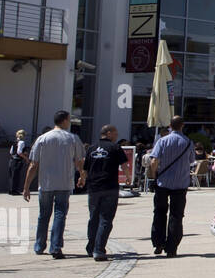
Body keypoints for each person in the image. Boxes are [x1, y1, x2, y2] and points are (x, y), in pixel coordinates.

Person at [22, 110, 86, 258]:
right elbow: (79, 161)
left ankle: (39, 245)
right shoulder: (72, 138)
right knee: (60, 215)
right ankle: (55, 247)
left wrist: (26, 187)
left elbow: (33, 165)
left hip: (45, 184)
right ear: (64, 121)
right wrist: (82, 176)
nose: (69, 122)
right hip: (64, 182)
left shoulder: (42, 139)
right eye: (69, 120)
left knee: (43, 215)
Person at [146, 116, 195, 257]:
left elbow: (154, 160)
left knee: (159, 212)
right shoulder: (188, 142)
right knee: (176, 215)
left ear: (170, 126)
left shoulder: (162, 141)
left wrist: (154, 175)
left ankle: (158, 242)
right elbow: (192, 161)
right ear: (182, 126)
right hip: (180, 183)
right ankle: (172, 247)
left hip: (163, 182)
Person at [83, 125, 128, 261]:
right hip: (109, 187)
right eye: (115, 133)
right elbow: (124, 165)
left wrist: (82, 179)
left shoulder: (91, 148)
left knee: (94, 218)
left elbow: (86, 167)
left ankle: (91, 247)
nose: (116, 136)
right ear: (108, 133)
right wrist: (128, 177)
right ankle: (99, 249)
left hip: (93, 187)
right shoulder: (115, 147)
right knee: (106, 219)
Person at [8, 129, 30, 195]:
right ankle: (15, 190)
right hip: (17, 160)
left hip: (12, 160)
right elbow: (19, 152)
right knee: (16, 175)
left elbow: (11, 152)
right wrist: (26, 158)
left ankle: (11, 190)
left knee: (12, 175)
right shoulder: (22, 142)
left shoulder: (14, 142)